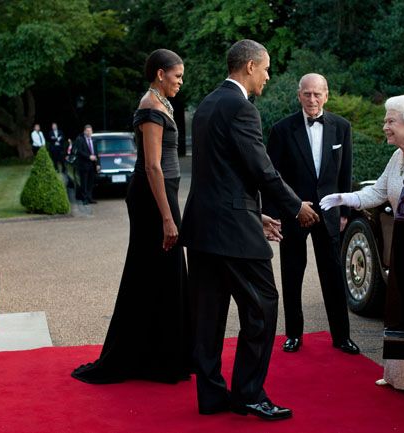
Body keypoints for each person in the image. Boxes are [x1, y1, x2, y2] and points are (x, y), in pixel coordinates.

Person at [181, 39, 319, 421]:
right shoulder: (241, 108)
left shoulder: (208, 104)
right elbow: (261, 168)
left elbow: (223, 172)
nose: (269, 76)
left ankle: (210, 397)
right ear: (249, 67)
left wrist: (255, 213)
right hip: (230, 231)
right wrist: (296, 207)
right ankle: (249, 394)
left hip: (205, 226)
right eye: (267, 68)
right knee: (262, 307)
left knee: (207, 317)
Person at [72, 49, 192, 384]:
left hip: (161, 194)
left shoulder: (161, 104)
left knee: (162, 273)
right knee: (152, 270)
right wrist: (168, 218)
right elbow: (152, 166)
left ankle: (162, 352)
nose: (180, 82)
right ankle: (151, 357)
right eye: (177, 76)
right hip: (153, 199)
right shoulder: (151, 108)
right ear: (159, 74)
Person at [320, 95, 404, 399]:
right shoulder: (398, 157)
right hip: (403, 242)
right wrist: (345, 198)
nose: (385, 127)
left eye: (390, 121)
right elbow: (378, 192)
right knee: (400, 308)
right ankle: (399, 375)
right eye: (385, 120)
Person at [264, 73, 359, 355]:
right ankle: (294, 334)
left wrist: (345, 212)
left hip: (330, 212)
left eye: (317, 94)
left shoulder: (342, 127)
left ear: (326, 95)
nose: (312, 100)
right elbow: (271, 175)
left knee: (333, 274)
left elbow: (346, 172)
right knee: (292, 275)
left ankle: (342, 336)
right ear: (299, 95)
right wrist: (272, 215)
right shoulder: (282, 129)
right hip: (294, 211)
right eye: (307, 94)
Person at [73, 124, 99, 205]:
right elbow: (79, 152)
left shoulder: (93, 140)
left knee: (91, 183)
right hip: (83, 165)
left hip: (92, 165)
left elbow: (97, 153)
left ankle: (89, 198)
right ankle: (84, 199)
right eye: (87, 131)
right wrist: (89, 157)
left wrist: (98, 164)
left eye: (90, 131)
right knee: (84, 183)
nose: (89, 132)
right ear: (84, 131)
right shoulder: (80, 140)